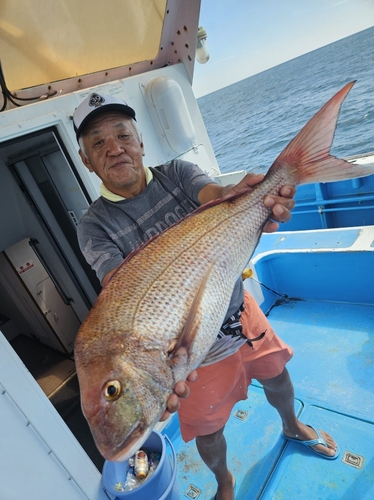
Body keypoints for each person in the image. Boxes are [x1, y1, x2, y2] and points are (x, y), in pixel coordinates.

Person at [73, 92, 339, 500]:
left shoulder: (176, 173)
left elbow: (214, 196)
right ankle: (225, 482)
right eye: (98, 143)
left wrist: (251, 198)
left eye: (122, 135)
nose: (114, 149)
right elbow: (120, 287)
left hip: (238, 312)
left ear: (140, 142)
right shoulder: (94, 225)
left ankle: (291, 424)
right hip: (187, 354)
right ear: (87, 161)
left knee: (279, 378)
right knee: (207, 430)